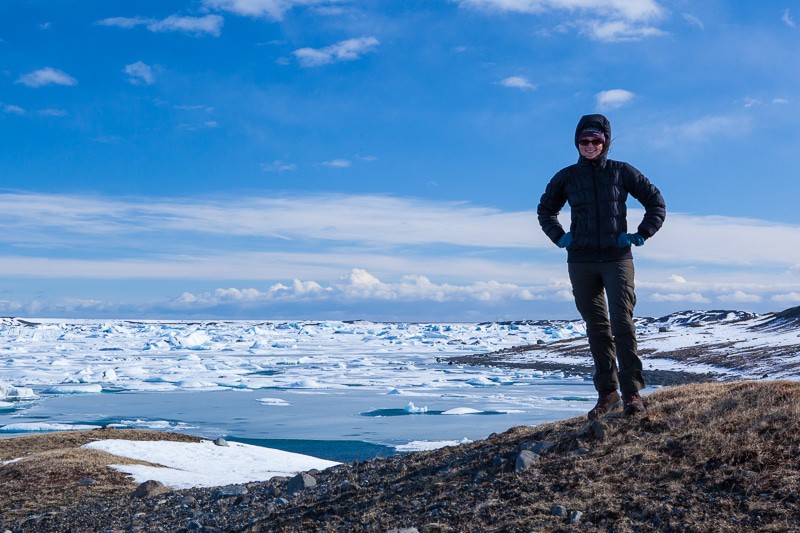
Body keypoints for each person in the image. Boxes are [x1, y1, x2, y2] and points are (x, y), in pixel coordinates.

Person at [537, 113, 666, 419]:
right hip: (581, 261)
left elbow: (656, 202)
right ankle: (607, 394)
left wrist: (641, 233)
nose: (590, 145)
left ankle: (632, 392)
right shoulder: (567, 177)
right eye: (584, 141)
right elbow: (545, 210)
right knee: (596, 328)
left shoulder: (622, 172)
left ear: (605, 141)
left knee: (622, 322)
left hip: (617, 258)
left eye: (596, 140)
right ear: (577, 143)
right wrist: (560, 237)